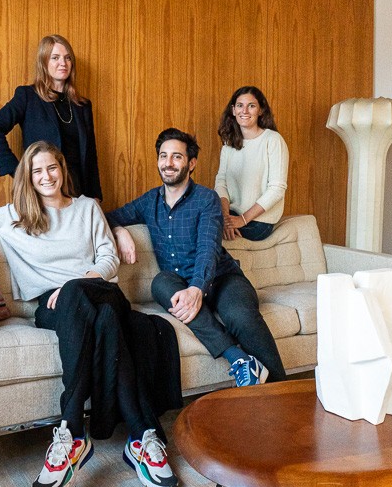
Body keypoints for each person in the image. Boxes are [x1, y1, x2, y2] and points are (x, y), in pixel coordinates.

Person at [0, 141, 179, 487]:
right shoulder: (14, 215)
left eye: (51, 168)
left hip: (100, 290)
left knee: (87, 300)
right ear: (28, 176)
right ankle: (141, 436)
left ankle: (71, 433)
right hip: (55, 309)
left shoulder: (87, 208)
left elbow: (108, 257)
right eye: (37, 171)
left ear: (62, 170)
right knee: (104, 321)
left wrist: (79, 283)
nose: (45, 176)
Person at [106, 128, 286, 388]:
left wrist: (196, 289)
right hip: (178, 282)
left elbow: (208, 248)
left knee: (239, 316)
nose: (168, 163)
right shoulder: (149, 202)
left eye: (176, 157)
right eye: (163, 156)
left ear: (191, 164)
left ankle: (282, 391)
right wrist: (119, 230)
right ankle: (239, 359)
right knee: (161, 283)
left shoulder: (206, 199)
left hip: (223, 279)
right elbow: (106, 217)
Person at [0, 34, 103, 200]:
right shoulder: (27, 96)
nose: (63, 63)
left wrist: (94, 196)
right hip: (42, 191)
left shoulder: (82, 105)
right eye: (55, 58)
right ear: (44, 63)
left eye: (68, 58)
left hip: (76, 193)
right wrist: (19, 173)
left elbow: (90, 156)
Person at [215, 86, 289, 241]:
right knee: (196, 217)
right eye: (240, 105)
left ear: (260, 110)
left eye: (252, 106)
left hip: (258, 222)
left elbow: (277, 189)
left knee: (206, 228)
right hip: (231, 213)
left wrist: (242, 219)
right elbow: (221, 182)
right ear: (233, 110)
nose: (245, 111)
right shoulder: (228, 144)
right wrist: (225, 218)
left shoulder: (273, 140)